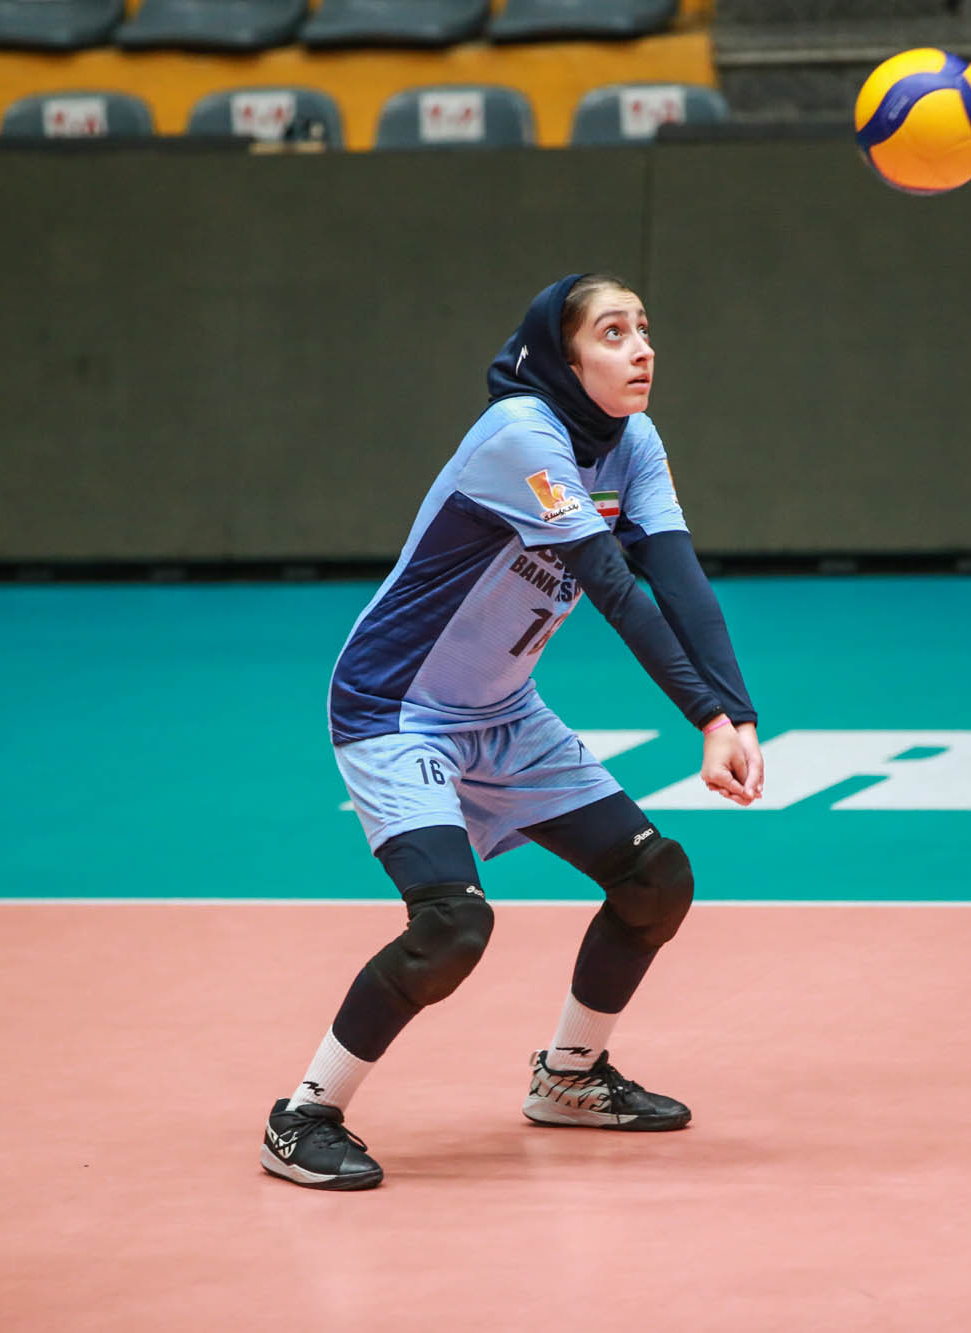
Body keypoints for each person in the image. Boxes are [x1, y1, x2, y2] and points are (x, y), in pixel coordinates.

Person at [263, 273, 764, 1190]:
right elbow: (614, 588)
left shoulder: (633, 441)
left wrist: (738, 713)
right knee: (453, 924)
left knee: (654, 879)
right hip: (396, 707)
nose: (642, 348)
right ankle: (302, 1116)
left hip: (502, 711)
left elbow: (677, 577)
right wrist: (703, 715)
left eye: (644, 328)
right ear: (563, 359)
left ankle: (570, 1077)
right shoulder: (521, 434)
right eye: (613, 333)